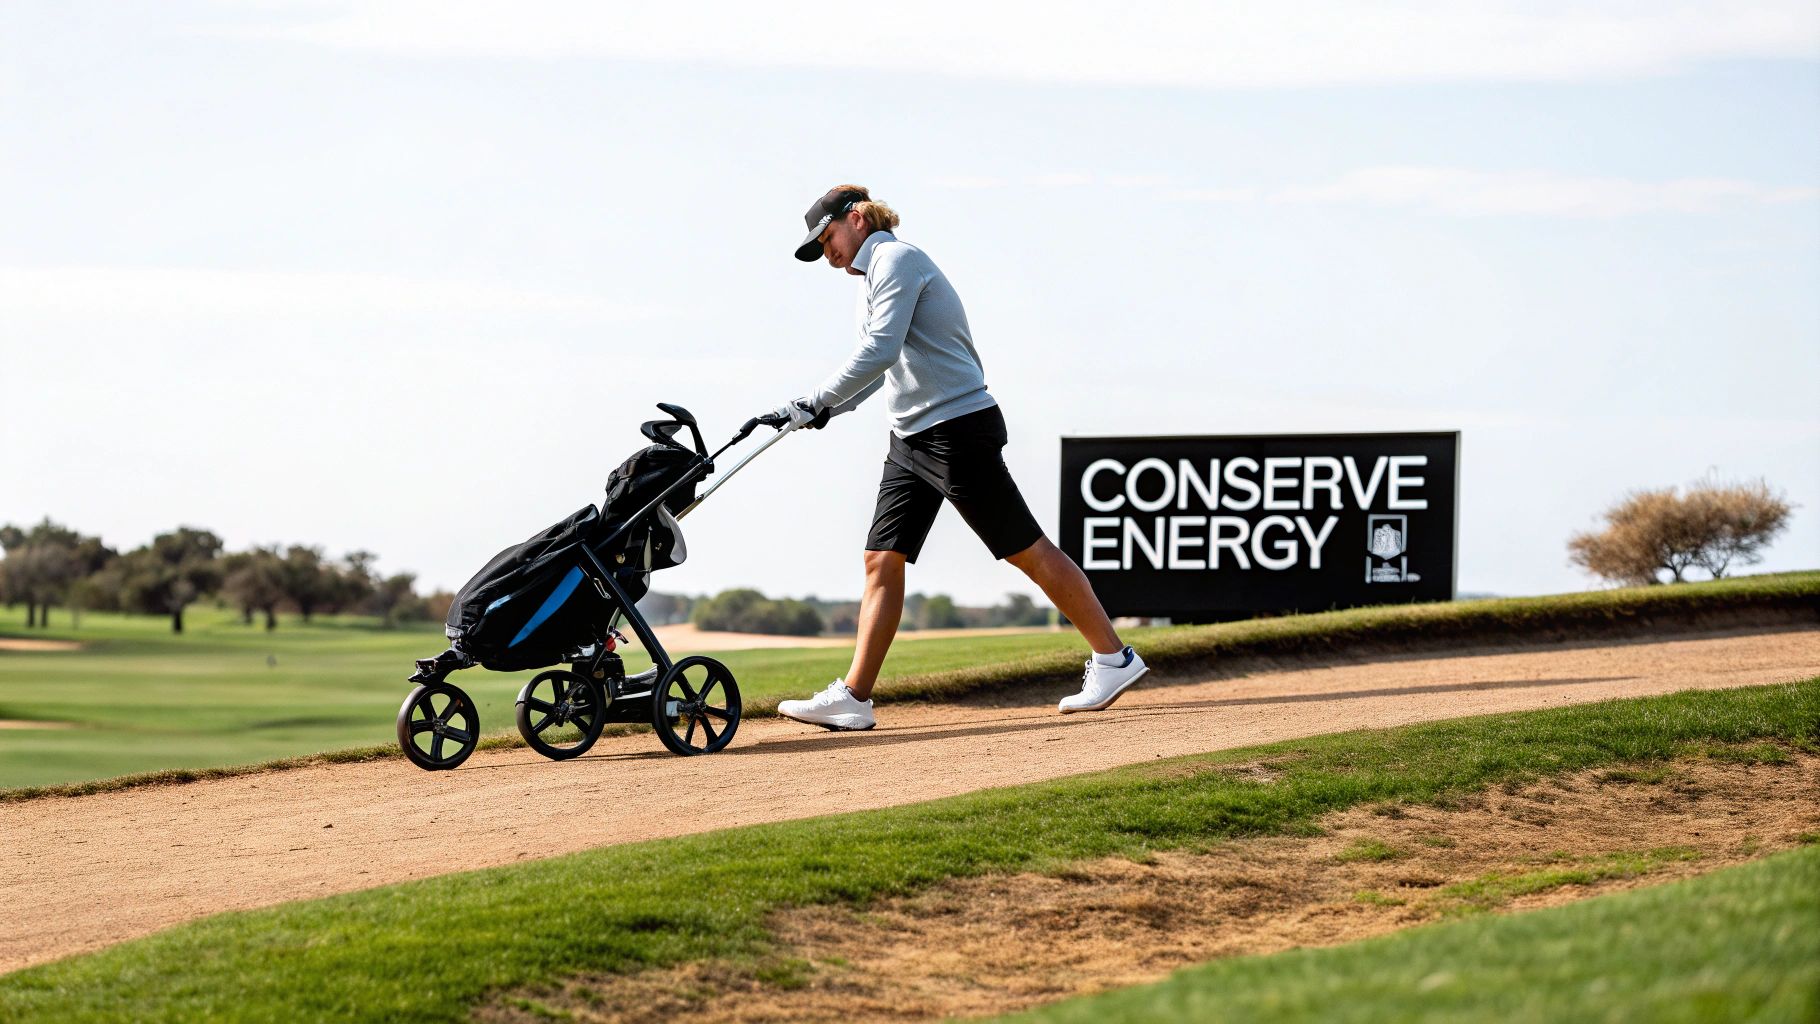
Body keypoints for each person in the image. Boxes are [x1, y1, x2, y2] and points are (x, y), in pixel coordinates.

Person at [759, 184, 1147, 731]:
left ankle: (1114, 659)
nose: (828, 255)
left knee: (1025, 550)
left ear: (858, 218)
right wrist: (824, 411)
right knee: (881, 559)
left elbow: (879, 351)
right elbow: (880, 369)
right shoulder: (870, 277)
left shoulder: (897, 259)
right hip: (911, 437)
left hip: (955, 428)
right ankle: (854, 696)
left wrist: (816, 398)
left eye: (828, 239)